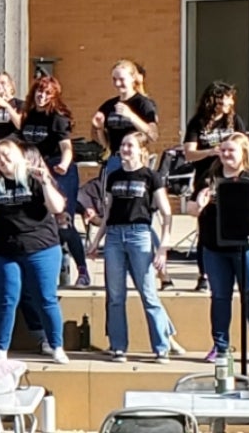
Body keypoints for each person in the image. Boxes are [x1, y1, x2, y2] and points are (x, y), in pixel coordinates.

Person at [0, 138, 68, 364]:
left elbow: (57, 207)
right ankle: (1, 349)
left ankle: (56, 346)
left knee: (46, 298)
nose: (2, 161)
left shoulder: (34, 178)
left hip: (41, 246)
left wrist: (45, 183)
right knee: (6, 298)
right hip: (3, 249)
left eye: (7, 155)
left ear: (19, 156)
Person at [87, 132, 173, 363]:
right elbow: (108, 213)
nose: (125, 149)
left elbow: (166, 212)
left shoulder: (151, 177)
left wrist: (163, 246)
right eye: (123, 144)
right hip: (114, 236)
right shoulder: (112, 176)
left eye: (130, 145)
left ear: (141, 150)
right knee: (115, 295)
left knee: (148, 293)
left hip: (139, 235)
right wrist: (96, 242)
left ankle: (161, 346)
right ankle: (118, 346)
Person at [190, 133, 249, 363]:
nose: (226, 155)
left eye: (231, 150)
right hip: (214, 246)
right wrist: (200, 205)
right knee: (219, 297)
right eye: (223, 150)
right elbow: (191, 208)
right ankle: (220, 346)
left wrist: (240, 215)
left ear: (243, 153)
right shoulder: (209, 177)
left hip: (248, 246)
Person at [18, 75, 88, 287]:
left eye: (48, 93)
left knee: (63, 221)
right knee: (38, 220)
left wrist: (65, 164)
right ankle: (51, 271)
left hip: (59, 169)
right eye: (40, 91)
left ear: (54, 96)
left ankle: (82, 270)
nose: (42, 96)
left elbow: (66, 146)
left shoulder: (57, 117)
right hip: (35, 170)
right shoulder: (29, 117)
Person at [184, 81, 246, 292]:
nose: (229, 102)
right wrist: (210, 152)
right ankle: (204, 275)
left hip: (231, 176)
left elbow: (244, 146)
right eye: (225, 98)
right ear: (215, 100)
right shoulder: (198, 123)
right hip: (206, 177)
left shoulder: (233, 120)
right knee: (206, 226)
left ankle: (234, 270)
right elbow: (189, 153)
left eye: (231, 98)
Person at [91, 60, 159, 175]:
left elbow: (153, 135)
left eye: (121, 79)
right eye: (114, 79)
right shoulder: (108, 105)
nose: (117, 83)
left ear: (132, 78)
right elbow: (105, 144)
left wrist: (131, 116)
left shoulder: (143, 104)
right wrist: (99, 128)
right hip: (114, 159)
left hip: (136, 160)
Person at [0, 72, 24, 144]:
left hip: (12, 145)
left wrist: (6, 105)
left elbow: (20, 125)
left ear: (11, 87)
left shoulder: (19, 104)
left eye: (3, 83)